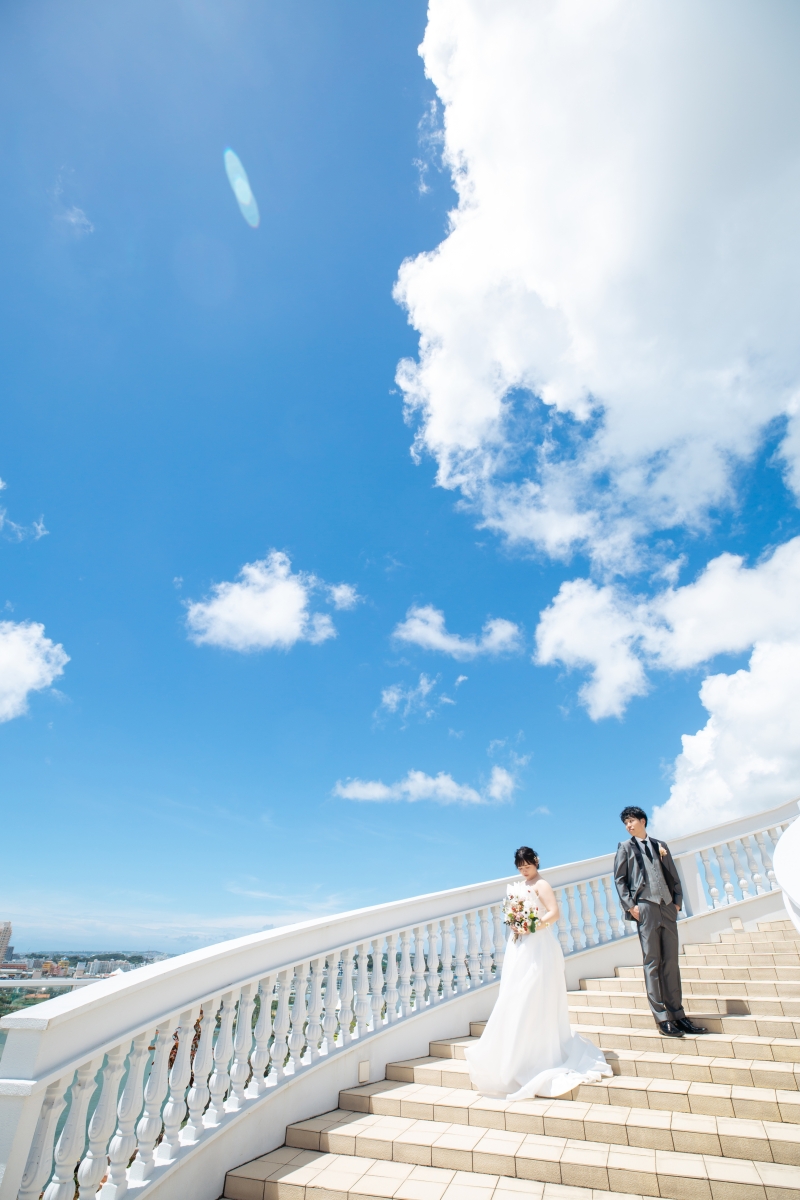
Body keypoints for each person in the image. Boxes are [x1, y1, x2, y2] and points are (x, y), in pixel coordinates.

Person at [465, 846, 612, 1099]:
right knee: (515, 995)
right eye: (520, 866)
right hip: (519, 946)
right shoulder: (518, 887)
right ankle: (516, 1055)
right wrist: (516, 924)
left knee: (533, 994)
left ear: (536, 862)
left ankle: (538, 1054)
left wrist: (532, 926)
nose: (524, 869)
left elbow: (554, 913)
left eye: (527, 864)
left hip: (538, 944)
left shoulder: (542, 885)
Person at [614, 806, 707, 1038]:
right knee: (652, 962)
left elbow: (673, 876)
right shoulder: (625, 848)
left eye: (631, 820)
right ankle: (662, 1018)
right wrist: (631, 907)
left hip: (667, 907)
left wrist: (676, 903)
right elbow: (620, 880)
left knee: (671, 962)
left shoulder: (660, 845)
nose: (628, 825)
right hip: (645, 907)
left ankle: (678, 1015)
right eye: (625, 822)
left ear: (643, 821)